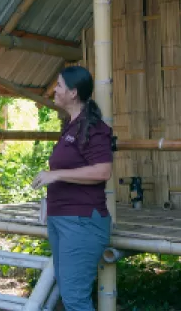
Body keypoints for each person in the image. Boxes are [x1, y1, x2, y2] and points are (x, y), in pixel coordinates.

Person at [30, 66, 116, 311]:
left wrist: (55, 175)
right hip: (62, 219)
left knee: (75, 299)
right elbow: (69, 173)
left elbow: (102, 171)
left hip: (82, 222)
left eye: (58, 85)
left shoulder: (95, 128)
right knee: (69, 296)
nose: (54, 90)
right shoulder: (71, 125)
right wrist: (49, 198)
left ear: (73, 92)